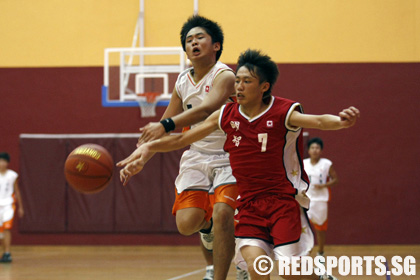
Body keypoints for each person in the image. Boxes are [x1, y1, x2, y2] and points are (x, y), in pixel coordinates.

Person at [118, 49, 360, 279]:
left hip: (281, 202)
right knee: (257, 267)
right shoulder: (225, 114)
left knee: (289, 272)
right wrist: (147, 147)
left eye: (247, 81)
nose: (239, 86)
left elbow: (318, 120)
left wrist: (341, 122)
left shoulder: (282, 112)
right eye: (238, 81)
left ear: (264, 87)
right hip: (249, 205)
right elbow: (182, 138)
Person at [133, 15, 247, 280]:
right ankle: (207, 228)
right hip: (196, 155)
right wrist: (139, 154)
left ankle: (230, 270)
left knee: (223, 212)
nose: (193, 43)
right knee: (187, 225)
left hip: (230, 156)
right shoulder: (183, 81)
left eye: (199, 38)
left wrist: (167, 125)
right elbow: (165, 123)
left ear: (216, 45)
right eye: (188, 40)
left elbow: (206, 109)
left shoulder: (226, 75)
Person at [304, 138, 338, 258]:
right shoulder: (303, 163)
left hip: (320, 200)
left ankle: (321, 252)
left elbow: (335, 180)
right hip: (306, 199)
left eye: (317, 148)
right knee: (302, 227)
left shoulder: (326, 164)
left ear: (321, 150)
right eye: (312, 148)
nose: (315, 150)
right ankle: (304, 253)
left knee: (320, 228)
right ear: (308, 150)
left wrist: (324, 185)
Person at [0, 152, 24, 263]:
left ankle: (7, 252)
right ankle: (3, 251)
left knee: (7, 228)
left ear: (7, 163)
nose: (1, 163)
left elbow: (17, 191)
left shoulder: (12, 175)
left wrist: (21, 207)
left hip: (8, 204)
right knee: (1, 233)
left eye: (3, 161)